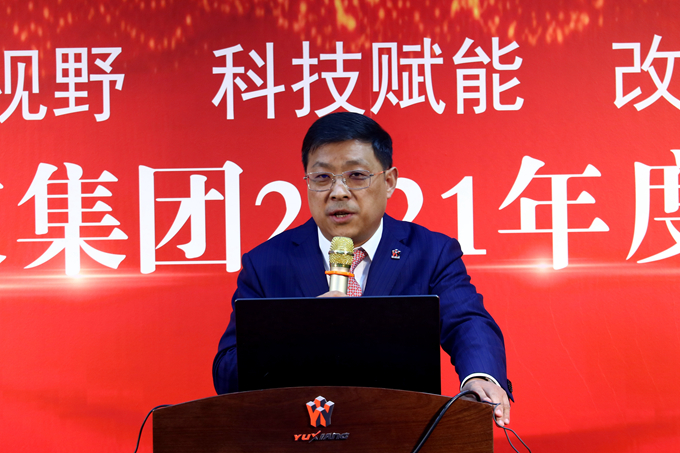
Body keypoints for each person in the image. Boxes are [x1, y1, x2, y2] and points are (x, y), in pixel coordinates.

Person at [213, 112, 513, 426]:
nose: (338, 191)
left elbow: (467, 322)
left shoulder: (430, 252)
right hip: (298, 433)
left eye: (356, 175)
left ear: (389, 182)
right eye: (322, 177)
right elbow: (227, 371)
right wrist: (302, 331)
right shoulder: (265, 263)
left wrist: (481, 377)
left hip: (402, 430)